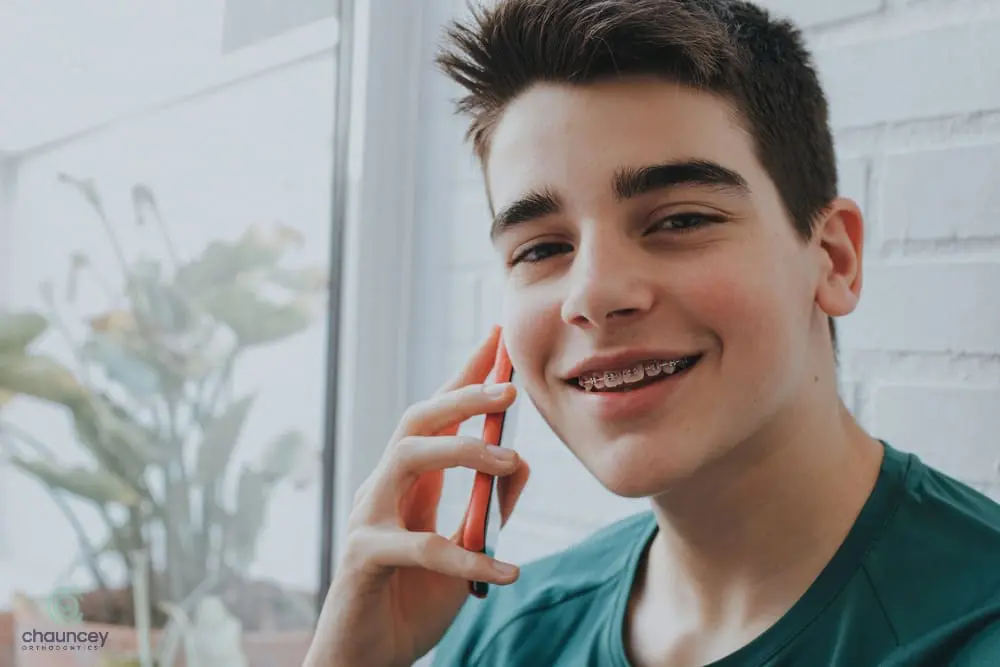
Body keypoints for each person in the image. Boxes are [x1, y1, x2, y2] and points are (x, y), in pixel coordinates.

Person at [304, 1, 1000, 665]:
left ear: (833, 259)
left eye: (680, 221)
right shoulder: (503, 635)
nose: (593, 295)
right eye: (542, 249)